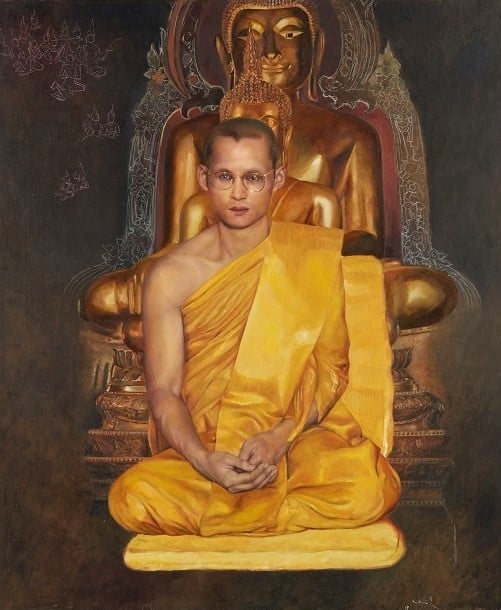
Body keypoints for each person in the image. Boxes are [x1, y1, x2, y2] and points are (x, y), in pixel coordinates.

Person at [108, 117, 401, 537]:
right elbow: (165, 392)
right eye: (225, 177)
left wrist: (280, 436)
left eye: (253, 178)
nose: (239, 193)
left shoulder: (311, 256)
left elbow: (331, 372)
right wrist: (205, 461)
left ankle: (240, 516)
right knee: (130, 497)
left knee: (367, 487)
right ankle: (270, 513)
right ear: (204, 178)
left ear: (277, 179)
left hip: (296, 440)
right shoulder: (170, 276)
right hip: (211, 448)